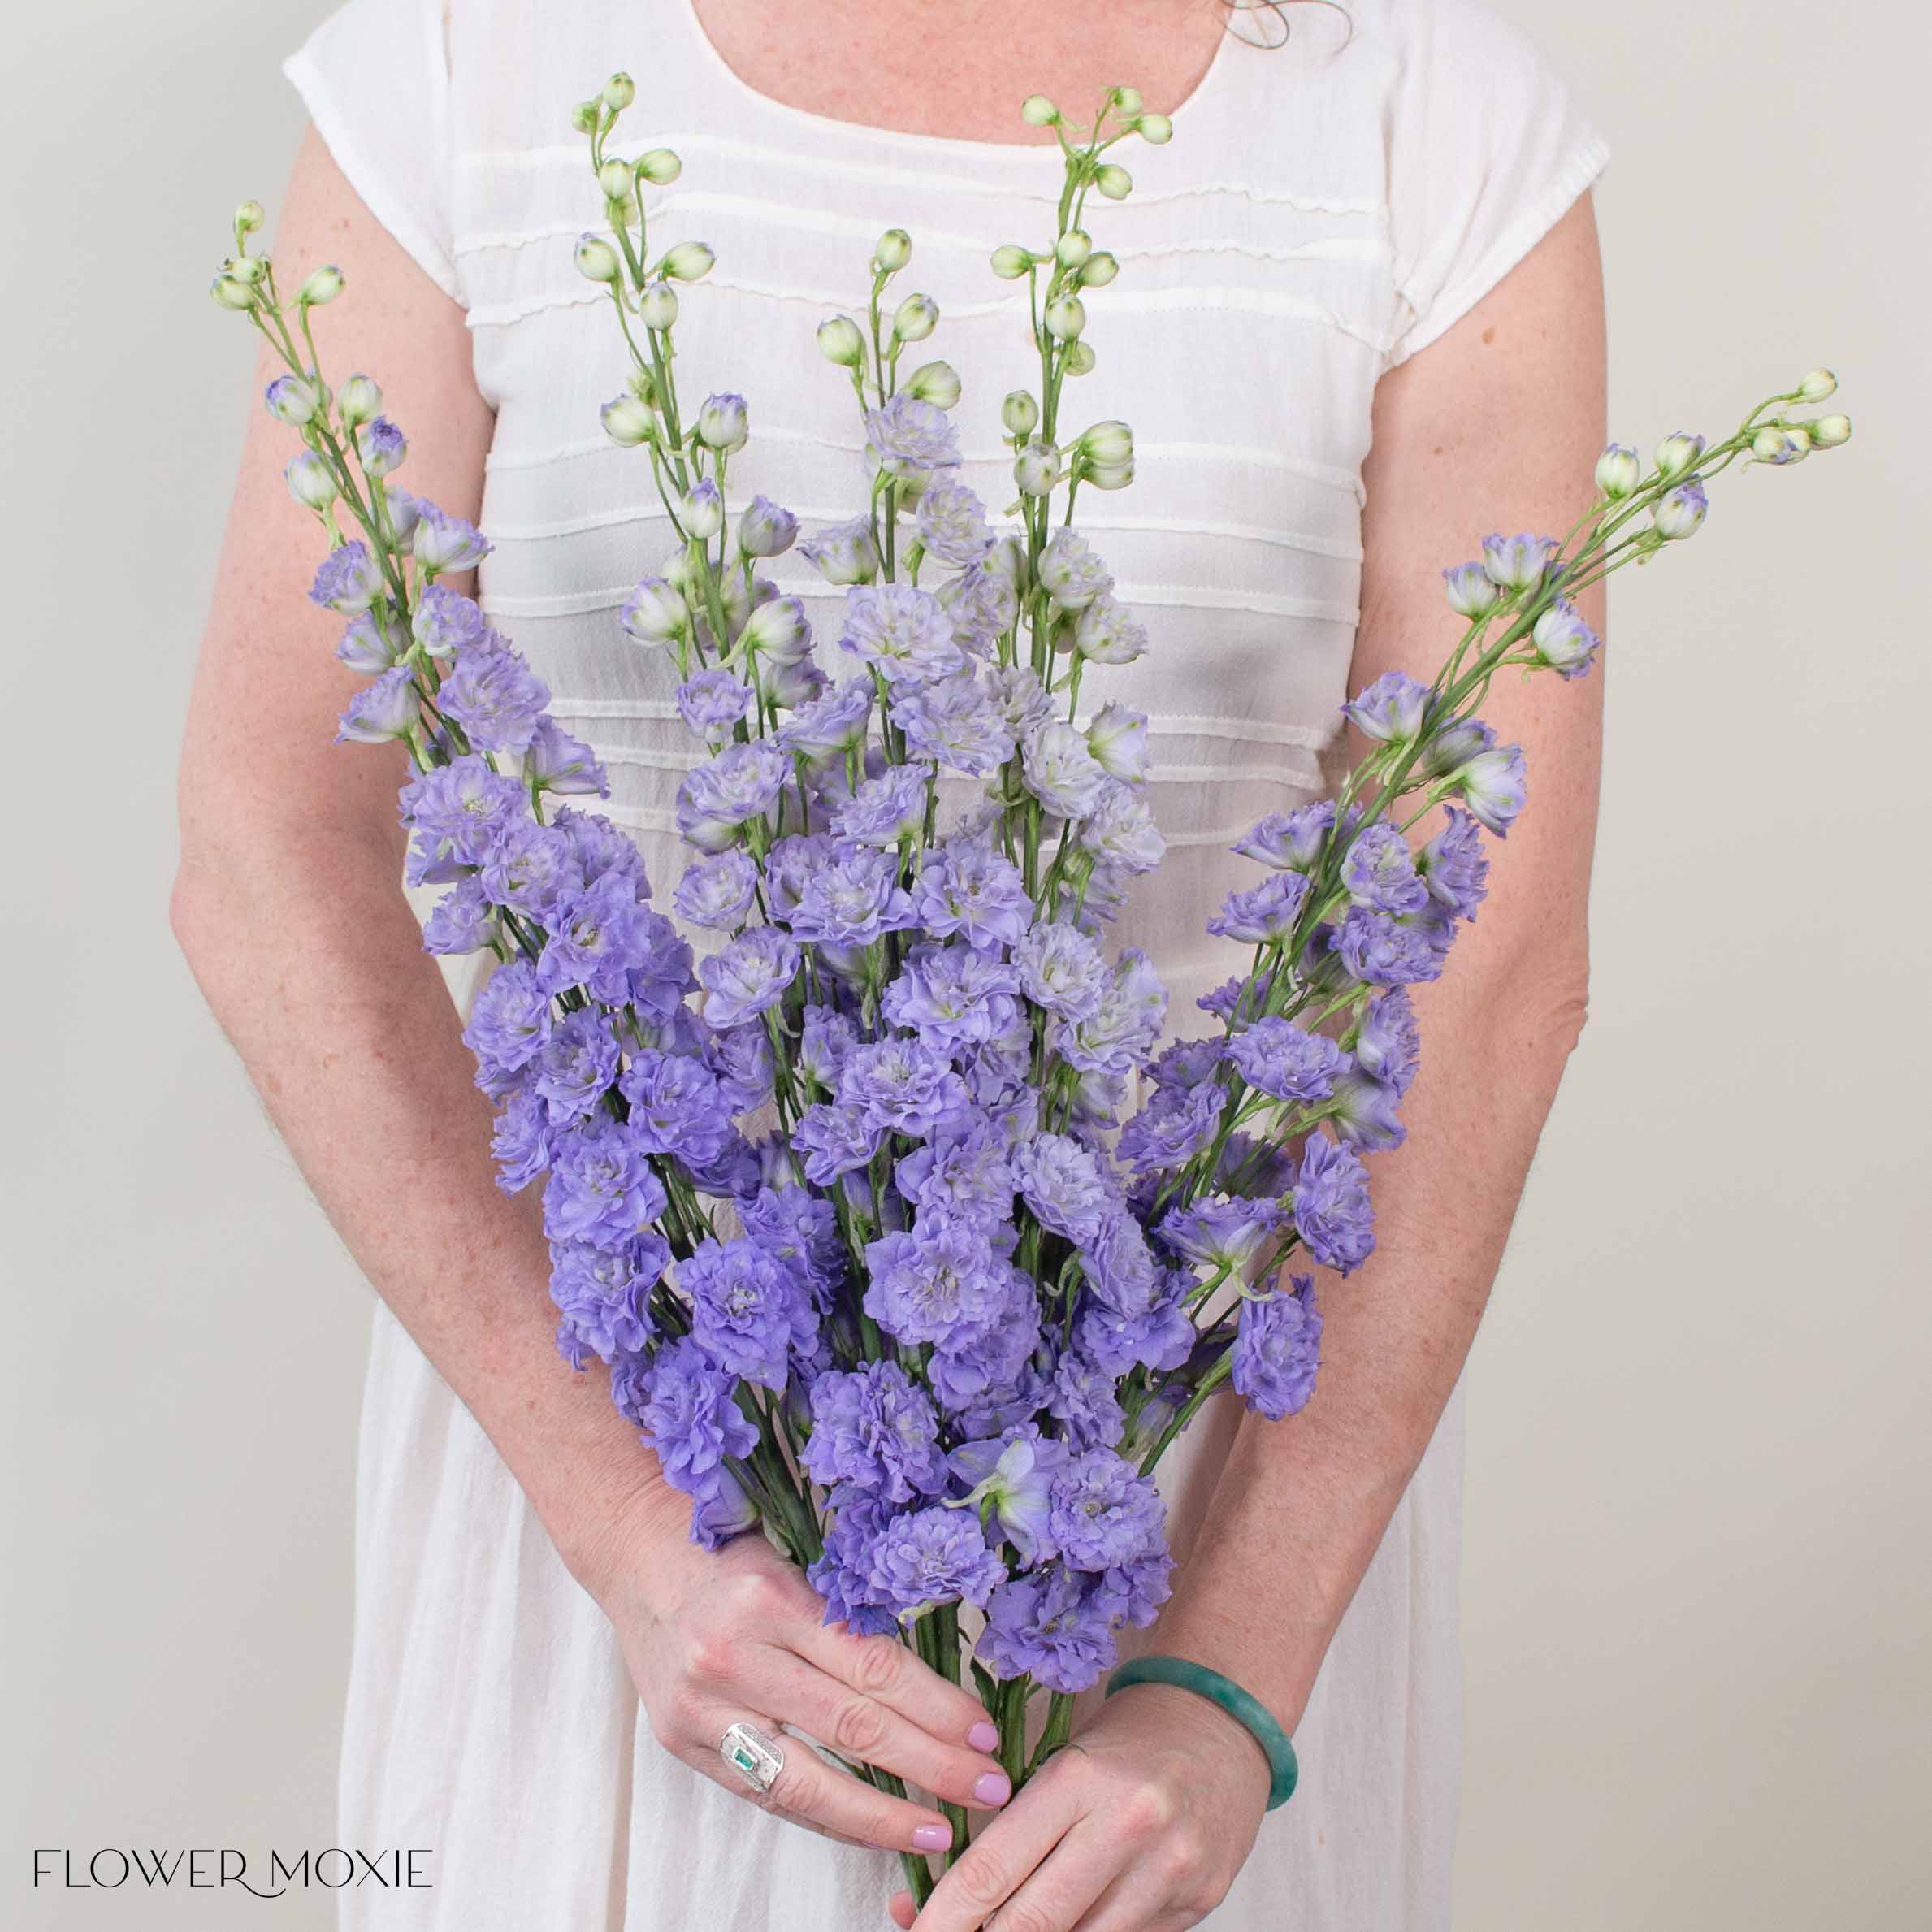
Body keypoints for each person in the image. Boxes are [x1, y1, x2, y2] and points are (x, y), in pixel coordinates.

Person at [175, 1, 1607, 1925]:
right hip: (640, 1525)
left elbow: (1484, 959)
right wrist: (633, 1542)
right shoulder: (465, 68)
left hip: (1171, 1541)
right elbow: (267, 852)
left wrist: (1222, 1683)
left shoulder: (1429, 132)